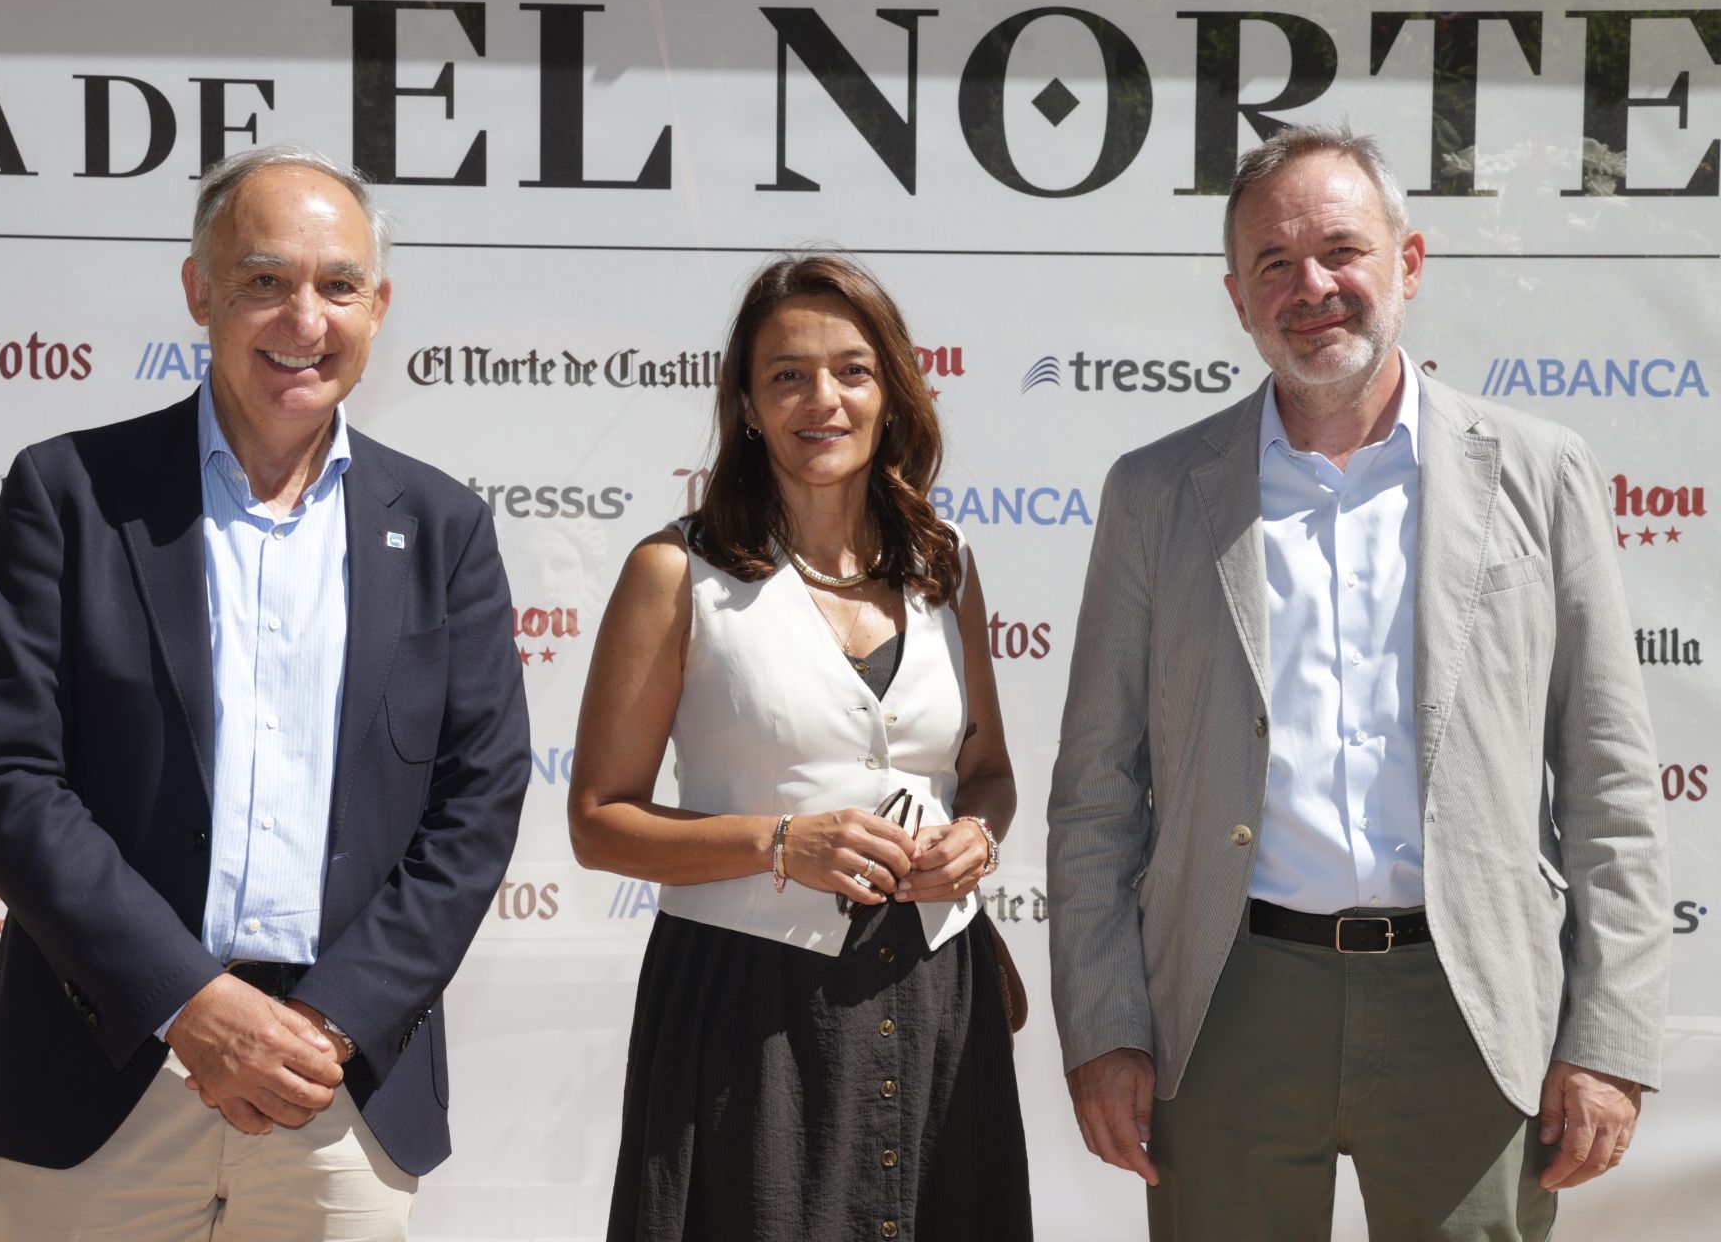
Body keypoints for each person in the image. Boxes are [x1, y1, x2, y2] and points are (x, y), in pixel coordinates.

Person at [1046, 121, 1670, 1240]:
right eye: (1274, 264)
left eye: (1342, 250)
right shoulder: (1155, 492)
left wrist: (1611, 1039)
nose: (1312, 286)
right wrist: (1103, 1025)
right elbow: (1097, 792)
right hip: (1227, 1005)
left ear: (1409, 263)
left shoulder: (1540, 471)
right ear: (1236, 297)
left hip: (1467, 1006)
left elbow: (1611, 782)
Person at [0, 143, 530, 1240]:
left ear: (379, 305)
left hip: (338, 1084)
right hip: (107, 1061)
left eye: (338, 285)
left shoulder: (446, 527)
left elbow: (478, 803)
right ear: (199, 290)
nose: (302, 318)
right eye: (265, 279)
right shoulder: (69, 493)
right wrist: (194, 1005)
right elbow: (9, 780)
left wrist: (324, 1022)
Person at [569, 254, 1032, 1241]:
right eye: (787, 373)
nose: (822, 398)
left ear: (893, 391)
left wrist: (978, 839)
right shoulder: (674, 570)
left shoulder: (944, 567)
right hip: (750, 1007)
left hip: (935, 985)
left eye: (852, 370)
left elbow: (987, 776)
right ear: (746, 401)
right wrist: (780, 843)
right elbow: (599, 821)